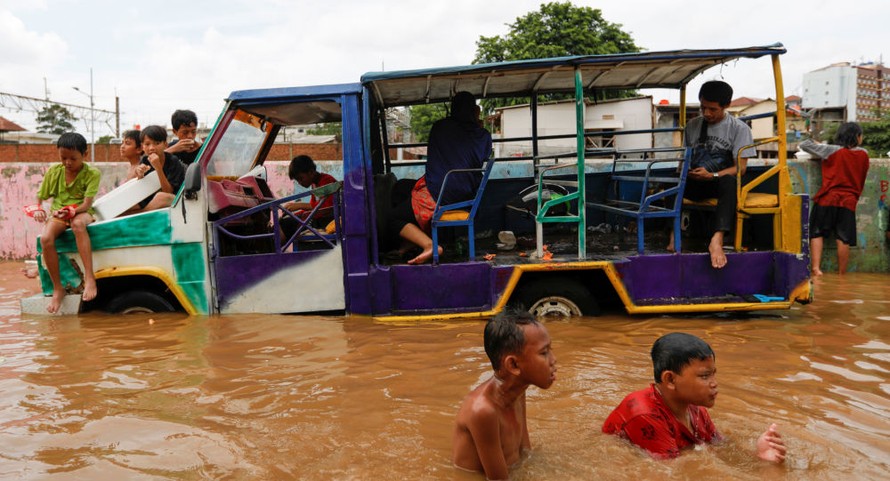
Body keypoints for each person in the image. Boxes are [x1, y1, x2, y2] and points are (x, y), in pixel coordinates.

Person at [602, 332, 786, 462]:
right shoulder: (644, 415)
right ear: (670, 379)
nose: (714, 383)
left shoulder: (694, 409)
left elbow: (719, 446)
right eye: (705, 376)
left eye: (713, 374)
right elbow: (670, 472)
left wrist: (760, 455)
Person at [388, 91, 493, 264]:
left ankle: (430, 245)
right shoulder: (483, 135)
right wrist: (478, 126)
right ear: (475, 111)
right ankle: (411, 241)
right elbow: (482, 156)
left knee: (392, 218)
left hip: (441, 193)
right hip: (467, 191)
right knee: (402, 187)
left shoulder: (441, 127)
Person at [452, 309, 557, 480]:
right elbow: (498, 479)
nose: (553, 360)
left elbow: (526, 452)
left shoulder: (518, 392)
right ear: (514, 365)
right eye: (544, 353)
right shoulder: (483, 411)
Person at [669, 81, 755, 269]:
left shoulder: (739, 129)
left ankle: (717, 239)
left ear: (727, 105)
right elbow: (684, 159)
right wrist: (685, 173)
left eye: (713, 109)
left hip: (718, 183)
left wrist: (712, 175)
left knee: (729, 181)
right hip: (695, 182)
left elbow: (740, 168)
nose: (707, 113)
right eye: (703, 108)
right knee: (669, 181)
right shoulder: (693, 125)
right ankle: (673, 235)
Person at [29, 132, 101, 313]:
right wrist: (37, 209)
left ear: (84, 155)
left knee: (78, 225)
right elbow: (40, 197)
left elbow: (87, 204)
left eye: (73, 159)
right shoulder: (54, 171)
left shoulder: (92, 173)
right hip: (59, 214)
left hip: (82, 212)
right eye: (63, 158)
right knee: (45, 239)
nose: (68, 162)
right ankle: (58, 288)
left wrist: (73, 211)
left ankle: (89, 278)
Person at [800, 122, 870, 276]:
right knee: (843, 238)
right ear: (857, 137)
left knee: (817, 232)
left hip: (828, 198)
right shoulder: (864, 153)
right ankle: (841, 274)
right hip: (849, 201)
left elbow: (804, 144)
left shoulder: (830, 150)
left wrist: (819, 144)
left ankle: (816, 269)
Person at [128, 125, 186, 213]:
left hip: (174, 200)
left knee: (161, 197)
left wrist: (158, 168)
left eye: (157, 143)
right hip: (151, 199)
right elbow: (143, 190)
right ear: (142, 146)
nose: (152, 148)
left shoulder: (173, 161)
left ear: (165, 145)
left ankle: (142, 215)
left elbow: (168, 191)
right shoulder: (145, 160)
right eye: (147, 144)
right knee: (128, 203)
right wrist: (140, 175)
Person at [279, 155, 337, 237]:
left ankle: (275, 244)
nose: (300, 183)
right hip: (319, 220)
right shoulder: (314, 184)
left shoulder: (326, 181)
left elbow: (326, 208)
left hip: (328, 221)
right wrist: (293, 214)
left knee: (287, 224)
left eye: (301, 178)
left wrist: (299, 205)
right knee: (284, 221)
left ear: (311, 172)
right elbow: (312, 207)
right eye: (297, 180)